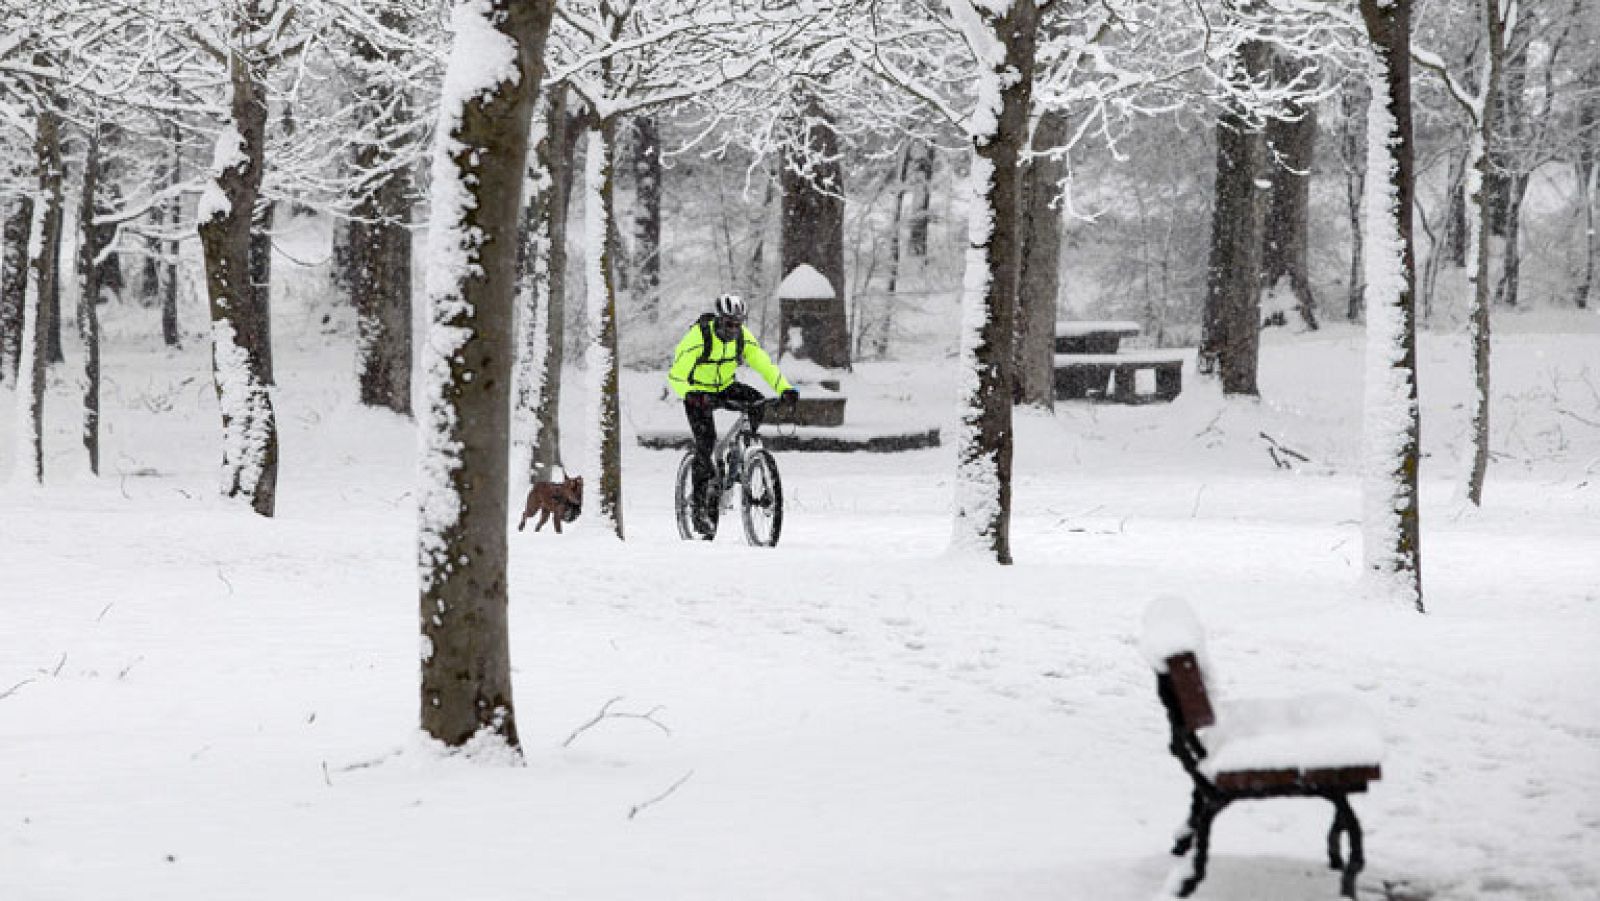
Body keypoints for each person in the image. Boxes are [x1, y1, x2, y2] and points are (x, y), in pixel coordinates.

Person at [668, 293, 798, 536]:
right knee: (705, 446)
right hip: (698, 393)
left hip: (725, 387)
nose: (734, 329)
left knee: (757, 401)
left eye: (739, 324)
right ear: (719, 320)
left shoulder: (742, 339)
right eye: (729, 324)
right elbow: (675, 376)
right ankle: (698, 510)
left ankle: (745, 454)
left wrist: (785, 389)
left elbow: (764, 365)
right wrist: (691, 394)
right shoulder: (698, 338)